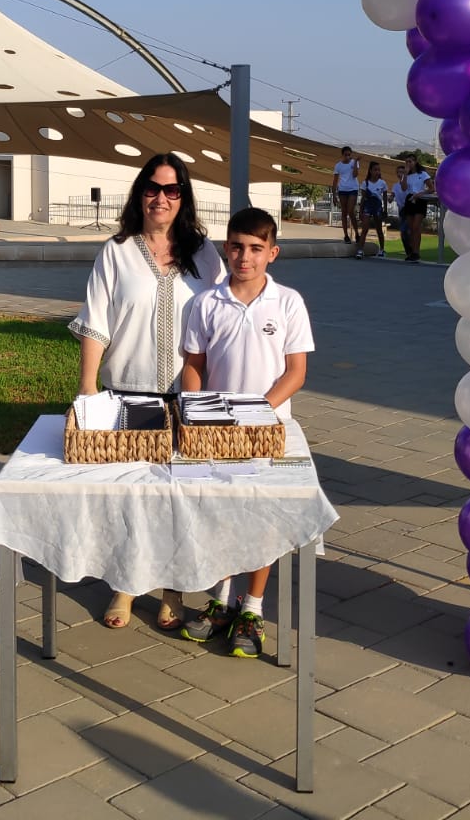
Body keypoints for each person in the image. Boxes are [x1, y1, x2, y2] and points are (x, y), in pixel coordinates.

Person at [71, 153, 227, 630]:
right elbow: (96, 322)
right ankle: (124, 584)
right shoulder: (117, 251)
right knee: (131, 496)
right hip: (128, 394)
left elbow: (222, 318)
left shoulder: (204, 255)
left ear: (184, 196)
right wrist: (87, 389)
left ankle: (173, 588)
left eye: (172, 189)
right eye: (153, 188)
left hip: (187, 397)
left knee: (177, 496)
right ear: (141, 194)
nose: (161, 198)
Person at [178, 207, 315, 658]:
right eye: (237, 247)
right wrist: (197, 412)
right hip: (217, 430)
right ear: (225, 249)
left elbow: (295, 373)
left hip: (265, 431)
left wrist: (256, 412)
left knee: (261, 516)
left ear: (272, 253)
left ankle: (252, 608)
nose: (245, 257)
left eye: (256, 248)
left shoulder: (289, 302)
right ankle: (221, 600)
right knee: (219, 512)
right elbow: (194, 366)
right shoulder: (205, 303)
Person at [395, 159, 432, 262]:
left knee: (416, 226)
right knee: (411, 228)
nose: (408, 164)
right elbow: (403, 188)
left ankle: (416, 252)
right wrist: (405, 174)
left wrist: (421, 193)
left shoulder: (422, 174)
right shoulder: (407, 176)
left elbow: (431, 188)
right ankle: (412, 252)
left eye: (410, 161)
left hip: (420, 199)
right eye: (406, 162)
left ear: (415, 162)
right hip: (410, 199)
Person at [354, 161, 390, 259]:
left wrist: (385, 210)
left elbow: (385, 197)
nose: (377, 172)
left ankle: (382, 249)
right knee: (365, 229)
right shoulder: (365, 183)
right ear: (370, 171)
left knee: (379, 229)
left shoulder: (382, 183)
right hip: (368, 206)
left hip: (377, 206)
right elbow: (363, 198)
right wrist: (360, 211)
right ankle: (360, 250)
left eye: (379, 170)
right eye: (375, 170)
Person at [332, 146, 361, 244]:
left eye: (349, 155)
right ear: (342, 155)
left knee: (350, 211)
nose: (347, 156)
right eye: (346, 155)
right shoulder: (338, 166)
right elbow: (335, 181)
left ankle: (357, 233)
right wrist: (334, 195)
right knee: (344, 212)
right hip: (342, 190)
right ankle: (346, 235)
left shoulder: (354, 162)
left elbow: (355, 175)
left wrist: (356, 162)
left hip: (353, 189)